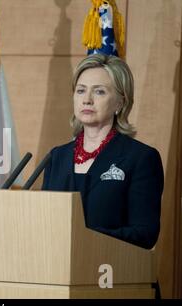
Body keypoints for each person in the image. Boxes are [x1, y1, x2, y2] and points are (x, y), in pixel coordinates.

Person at [42, 54, 164, 249]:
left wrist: (84, 236)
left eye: (99, 92)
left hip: (114, 274)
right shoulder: (57, 157)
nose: (87, 100)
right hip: (59, 273)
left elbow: (145, 233)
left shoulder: (140, 158)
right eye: (81, 91)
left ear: (120, 103)